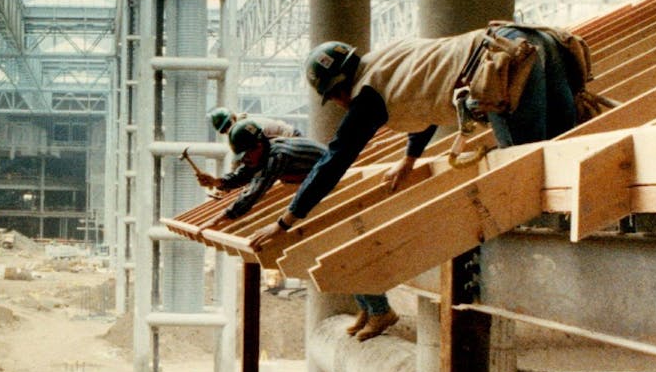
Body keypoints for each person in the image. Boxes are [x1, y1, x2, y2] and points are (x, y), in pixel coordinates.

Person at [250, 27, 577, 255]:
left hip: (502, 68)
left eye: (334, 100)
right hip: (535, 40)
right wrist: (409, 159)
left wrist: (285, 222)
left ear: (336, 90)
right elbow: (424, 106)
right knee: (564, 150)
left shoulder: (366, 96)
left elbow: (336, 158)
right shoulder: (387, 60)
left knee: (527, 174)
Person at [220, 120, 398, 340]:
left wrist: (227, 215)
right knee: (342, 256)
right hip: (326, 194)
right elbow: (248, 171)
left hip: (338, 192)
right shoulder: (268, 151)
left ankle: (381, 311)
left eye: (246, 155)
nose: (245, 161)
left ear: (257, 146)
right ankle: (370, 309)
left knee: (350, 255)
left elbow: (256, 191)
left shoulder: (278, 156)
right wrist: (222, 183)